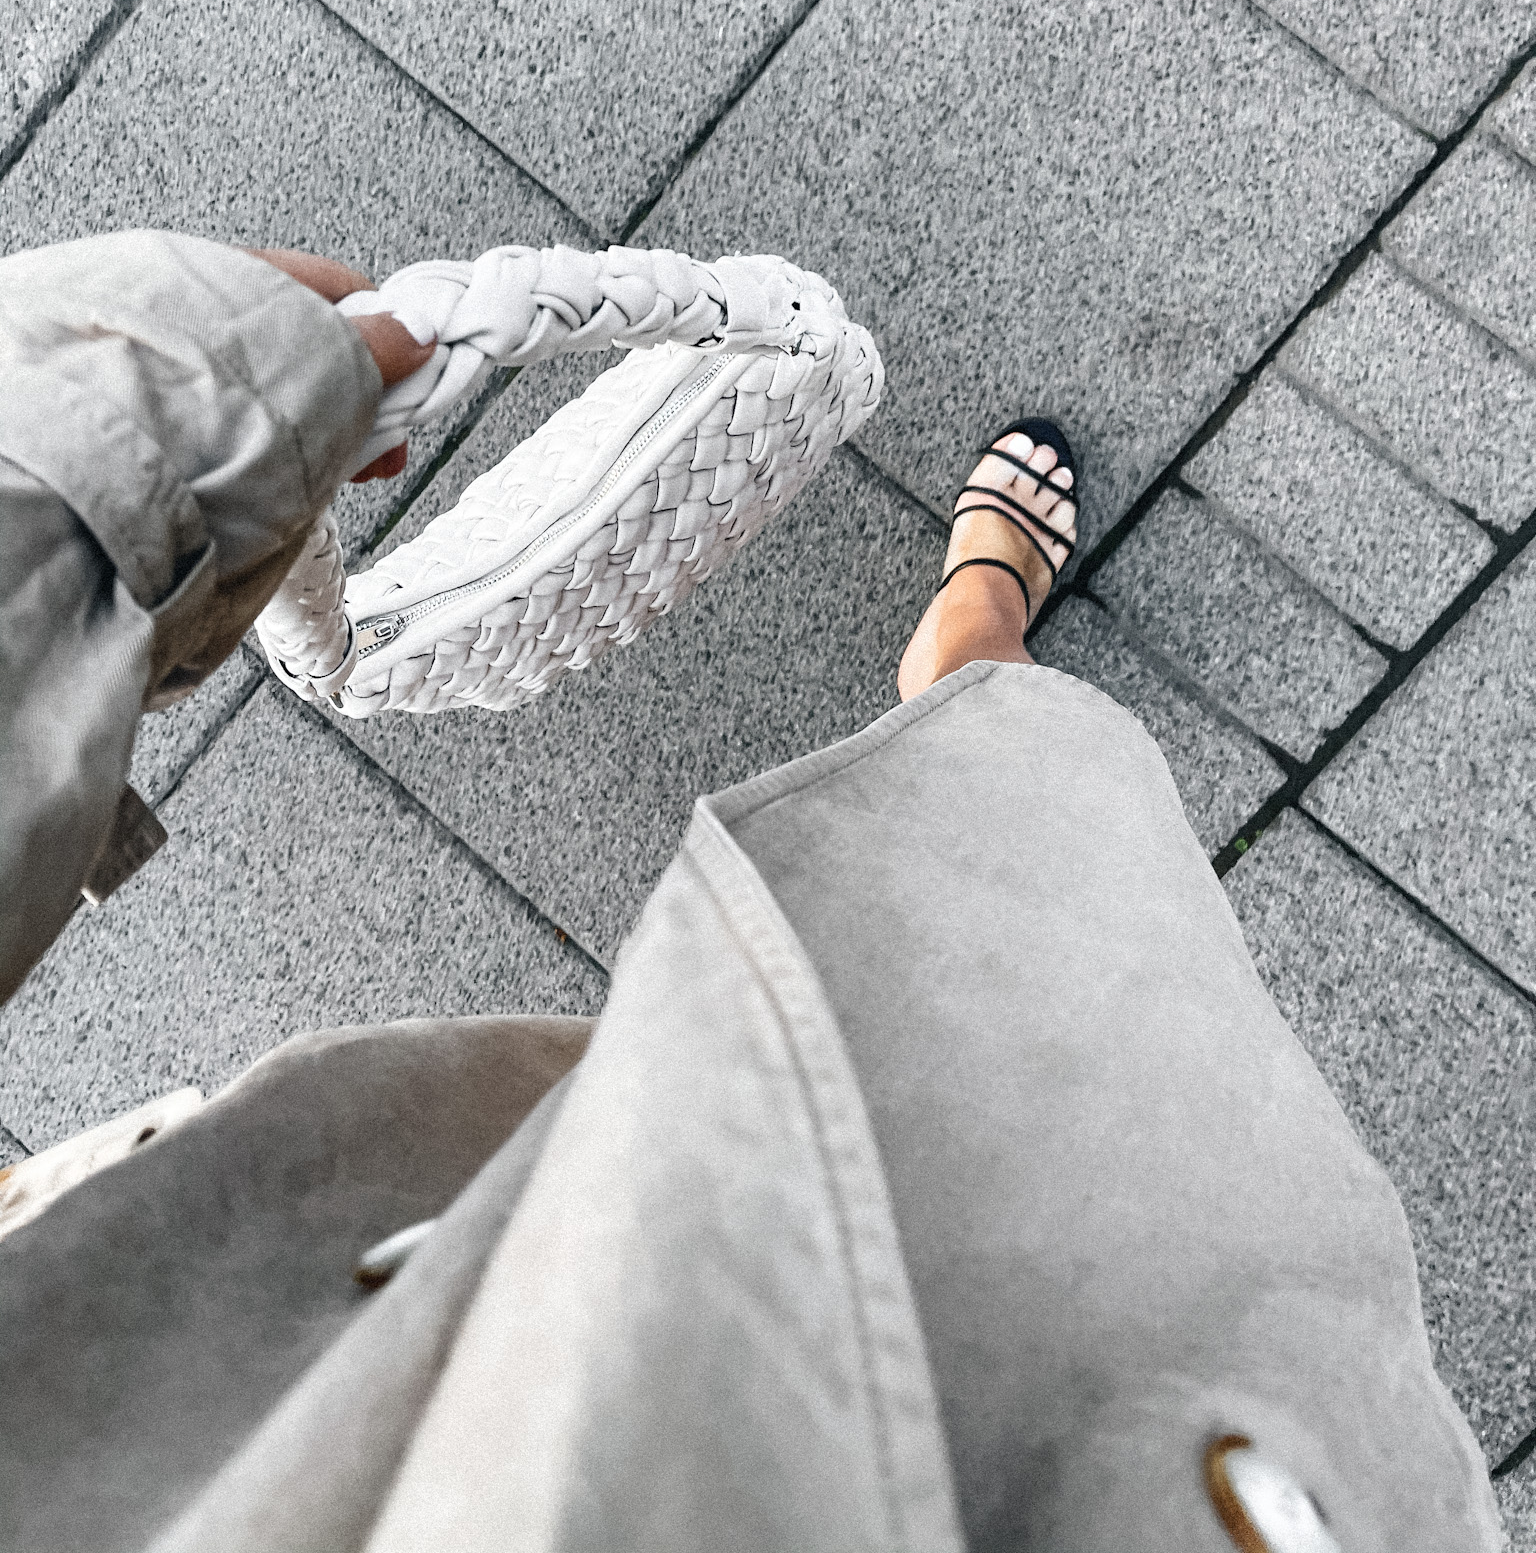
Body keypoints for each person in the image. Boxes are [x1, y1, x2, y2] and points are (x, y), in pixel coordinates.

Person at [0, 230, 1501, 1553]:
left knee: (820, 1066)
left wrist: (121, 469)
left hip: (305, 1360)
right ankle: (969, 657)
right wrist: (127, 431)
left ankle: (972, 671)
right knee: (1053, 1019)